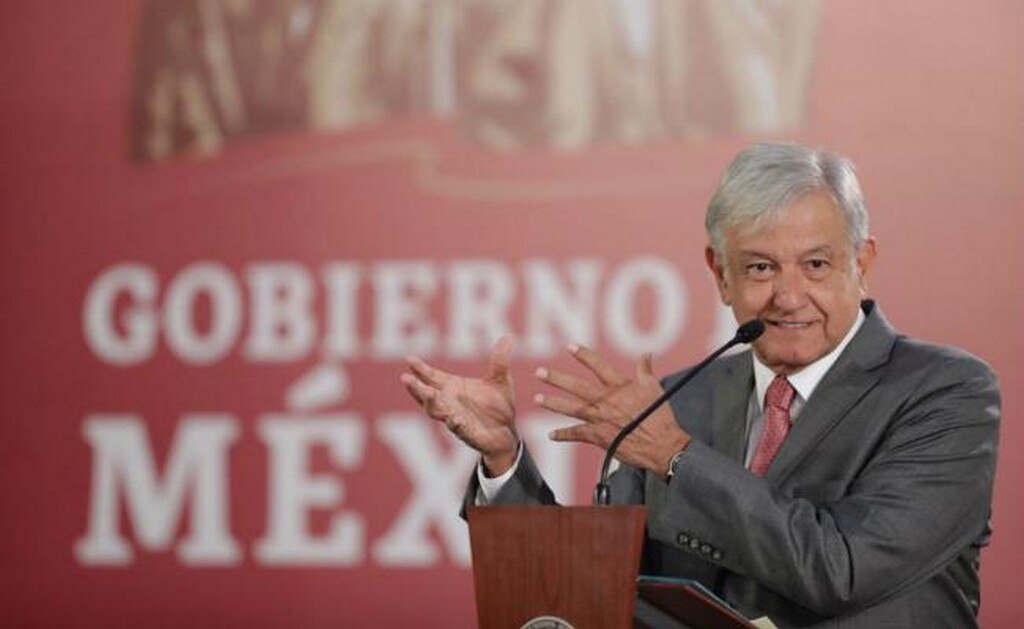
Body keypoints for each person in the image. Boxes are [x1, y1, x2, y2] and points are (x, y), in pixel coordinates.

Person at [399, 142, 1000, 628]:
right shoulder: (675, 402)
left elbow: (843, 570)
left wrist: (677, 459)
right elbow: (598, 596)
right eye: (760, 267)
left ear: (861, 263)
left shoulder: (945, 393)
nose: (789, 297)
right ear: (719, 274)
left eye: (816, 264)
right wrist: (504, 460)